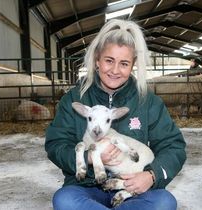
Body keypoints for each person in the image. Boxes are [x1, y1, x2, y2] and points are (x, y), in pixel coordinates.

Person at [45, 19, 187, 210]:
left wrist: (151, 176)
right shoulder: (74, 99)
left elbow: (173, 146)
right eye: (109, 61)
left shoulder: (148, 102)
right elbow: (56, 145)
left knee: (164, 202)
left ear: (132, 65)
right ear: (97, 60)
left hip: (131, 188)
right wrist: (88, 157)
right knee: (65, 200)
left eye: (124, 63)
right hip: (87, 186)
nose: (115, 70)